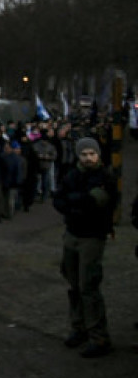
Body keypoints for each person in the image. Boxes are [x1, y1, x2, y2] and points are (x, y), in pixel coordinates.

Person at [53, 137, 119, 358]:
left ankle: (99, 336)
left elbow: (97, 203)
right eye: (84, 154)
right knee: (73, 284)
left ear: (98, 155)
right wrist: (77, 203)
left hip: (92, 236)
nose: (89, 158)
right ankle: (78, 327)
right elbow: (59, 200)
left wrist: (75, 202)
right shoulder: (72, 175)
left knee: (88, 285)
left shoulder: (106, 178)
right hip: (72, 234)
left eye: (92, 154)